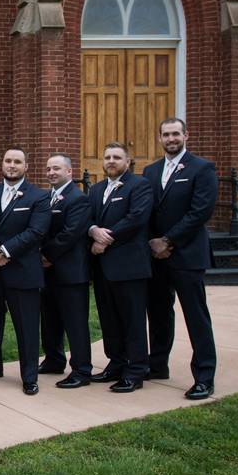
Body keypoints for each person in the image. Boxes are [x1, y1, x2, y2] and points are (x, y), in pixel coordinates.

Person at [142, 118, 219, 400]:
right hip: (155, 256)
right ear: (159, 138)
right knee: (159, 314)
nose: (171, 138)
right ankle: (157, 364)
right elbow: (145, 211)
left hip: (187, 255)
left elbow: (200, 212)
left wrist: (168, 240)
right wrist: (153, 241)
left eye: (176, 133)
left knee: (196, 316)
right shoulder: (150, 171)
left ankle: (204, 376)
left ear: (186, 135)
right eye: (166, 134)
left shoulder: (202, 168)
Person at [0, 148, 51, 395]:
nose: (11, 165)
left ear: (26, 166)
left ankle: (29, 376)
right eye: (8, 160)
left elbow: (36, 232)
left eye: (17, 162)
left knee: (27, 327)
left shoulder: (39, 197)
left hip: (23, 272)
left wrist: (4, 251)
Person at [88, 142, 153, 393]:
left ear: (128, 161)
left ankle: (136, 370)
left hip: (130, 265)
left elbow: (136, 218)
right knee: (109, 318)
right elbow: (87, 218)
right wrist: (93, 231)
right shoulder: (96, 189)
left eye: (116, 157)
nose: (111, 161)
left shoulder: (140, 186)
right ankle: (115, 364)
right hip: (103, 266)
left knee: (133, 319)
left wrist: (105, 239)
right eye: (107, 157)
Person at [39, 154, 94, 388]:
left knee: (75, 322)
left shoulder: (77, 199)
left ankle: (81, 370)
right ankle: (54, 359)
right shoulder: (48, 197)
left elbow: (70, 234)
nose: (51, 172)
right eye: (49, 168)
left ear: (70, 172)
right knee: (50, 319)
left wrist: (46, 254)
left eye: (57, 169)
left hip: (71, 273)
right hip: (48, 273)